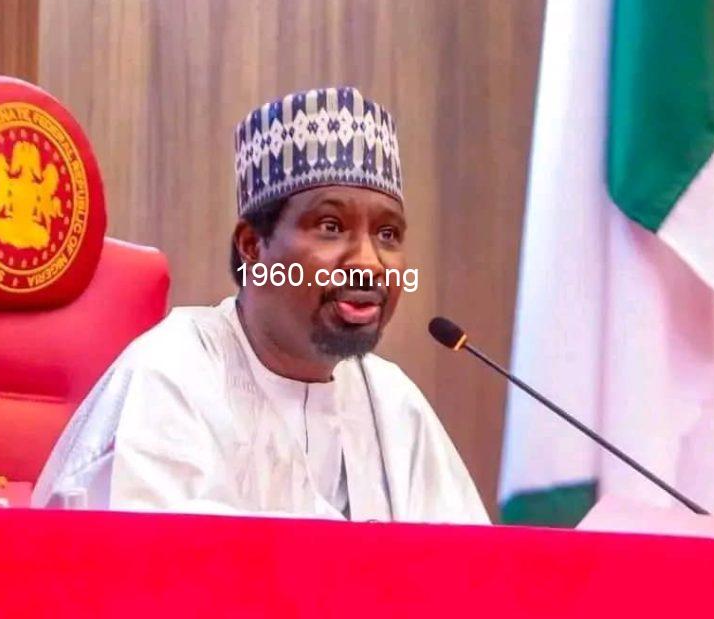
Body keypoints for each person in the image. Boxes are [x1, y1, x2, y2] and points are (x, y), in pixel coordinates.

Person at [33, 87, 488, 524]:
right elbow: (146, 566)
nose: (368, 263)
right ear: (253, 245)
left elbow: (474, 567)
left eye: (388, 234)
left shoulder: (393, 401)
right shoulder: (172, 375)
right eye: (331, 226)